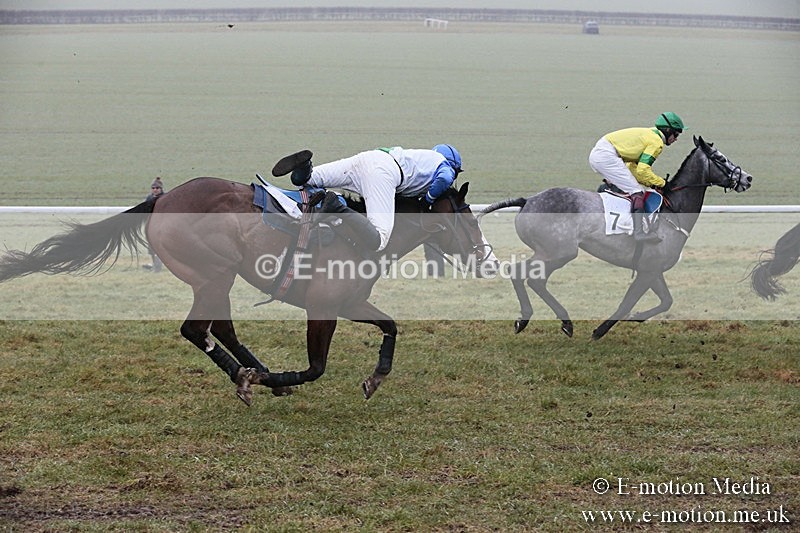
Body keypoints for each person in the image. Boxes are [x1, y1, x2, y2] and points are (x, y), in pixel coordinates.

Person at [272, 144, 463, 252]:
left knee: (308, 182)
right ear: (454, 165)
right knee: (379, 240)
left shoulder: (423, 157)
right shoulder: (445, 166)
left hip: (368, 158)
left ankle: (304, 168)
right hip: (384, 173)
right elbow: (445, 178)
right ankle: (335, 206)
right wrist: (428, 200)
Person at [589, 112, 685, 242]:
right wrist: (663, 184)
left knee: (633, 186)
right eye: (676, 134)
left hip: (603, 153)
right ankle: (639, 233)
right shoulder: (656, 142)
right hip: (607, 155)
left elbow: (634, 169)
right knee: (636, 192)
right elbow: (643, 170)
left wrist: (652, 183)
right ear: (668, 131)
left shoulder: (651, 134)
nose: (676, 139)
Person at [143, 177, 165, 272]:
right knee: (151, 247)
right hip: (151, 225)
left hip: (162, 225)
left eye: (157, 188)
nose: (155, 190)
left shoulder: (165, 198)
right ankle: (154, 264)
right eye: (153, 188)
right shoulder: (149, 198)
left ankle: (158, 265)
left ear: (161, 189)